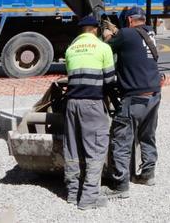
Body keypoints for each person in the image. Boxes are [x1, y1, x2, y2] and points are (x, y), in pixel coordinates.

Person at [103, 7, 161, 198]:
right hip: (153, 94)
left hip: (134, 97)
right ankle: (147, 175)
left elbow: (106, 48)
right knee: (147, 135)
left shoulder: (126, 34)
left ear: (128, 21)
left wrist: (107, 35)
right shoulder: (150, 32)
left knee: (121, 139)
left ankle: (120, 185)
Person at [63, 14, 117, 210]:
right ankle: (88, 198)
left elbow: (71, 76)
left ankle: (71, 193)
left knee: (73, 148)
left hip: (71, 104)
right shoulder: (103, 48)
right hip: (92, 104)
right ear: (96, 29)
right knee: (95, 148)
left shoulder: (71, 49)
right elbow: (110, 81)